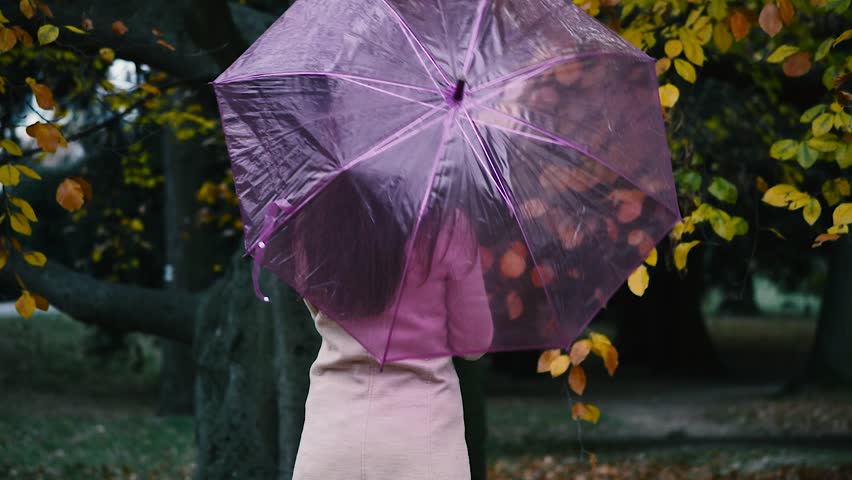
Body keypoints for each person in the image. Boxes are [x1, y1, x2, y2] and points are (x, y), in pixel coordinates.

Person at [289, 169, 494, 480]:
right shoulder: (446, 225)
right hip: (421, 442)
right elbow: (474, 344)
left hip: (330, 437)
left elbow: (313, 303)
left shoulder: (313, 222)